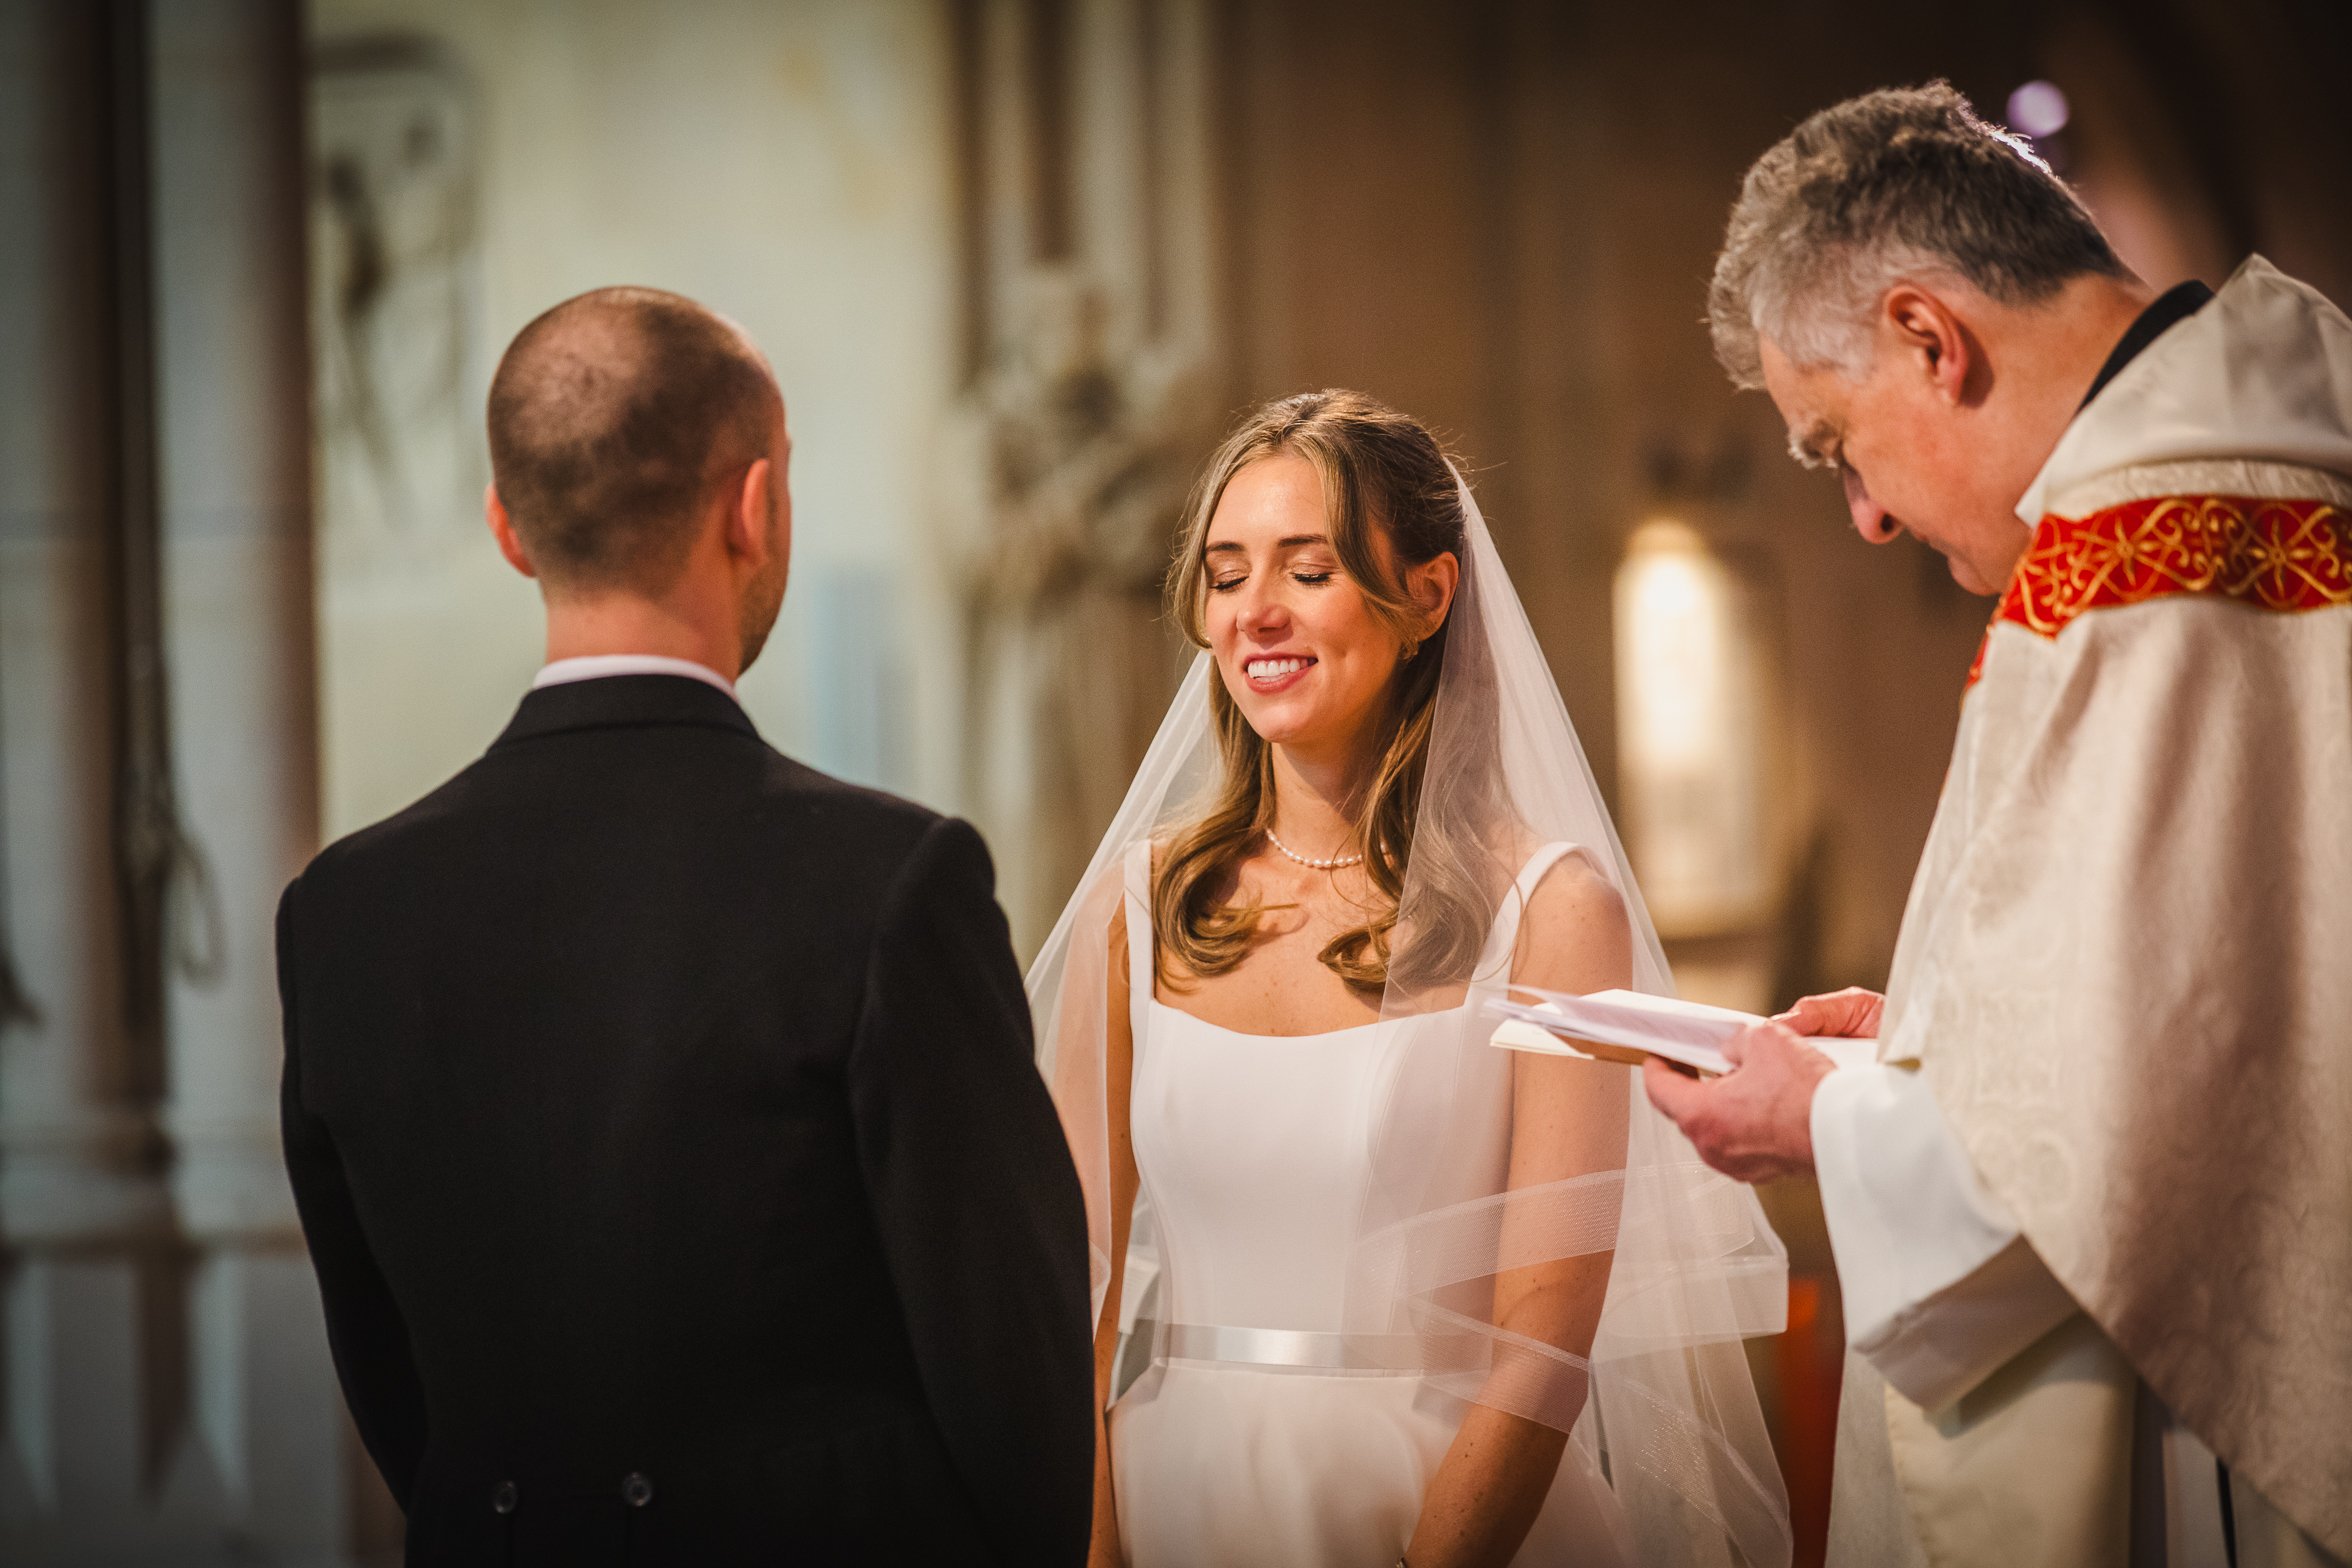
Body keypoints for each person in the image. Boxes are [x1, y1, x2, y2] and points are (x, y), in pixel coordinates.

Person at [276, 286, 1095, 1565]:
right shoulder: (891, 881)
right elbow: (1017, 1384)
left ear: (507, 529)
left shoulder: (341, 913)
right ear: (753, 507)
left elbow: (390, 1371)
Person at [1646, 83, 2350, 1568]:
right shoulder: (2285, 448)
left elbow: (2123, 1147)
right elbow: (2247, 1011)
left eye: (1836, 443)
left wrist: (1825, 1115)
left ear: (1928, 337)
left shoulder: (2146, 558)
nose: (1867, 517)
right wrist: (1944, 1036)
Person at [1028, 390, 1793, 1568]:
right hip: (1172, 1492)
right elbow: (1063, 1297)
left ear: (1427, 595)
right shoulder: (1136, 916)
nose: (1255, 614)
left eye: (1308, 567)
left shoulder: (1548, 910)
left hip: (1440, 1497)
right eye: (1226, 575)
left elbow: (1545, 1328)